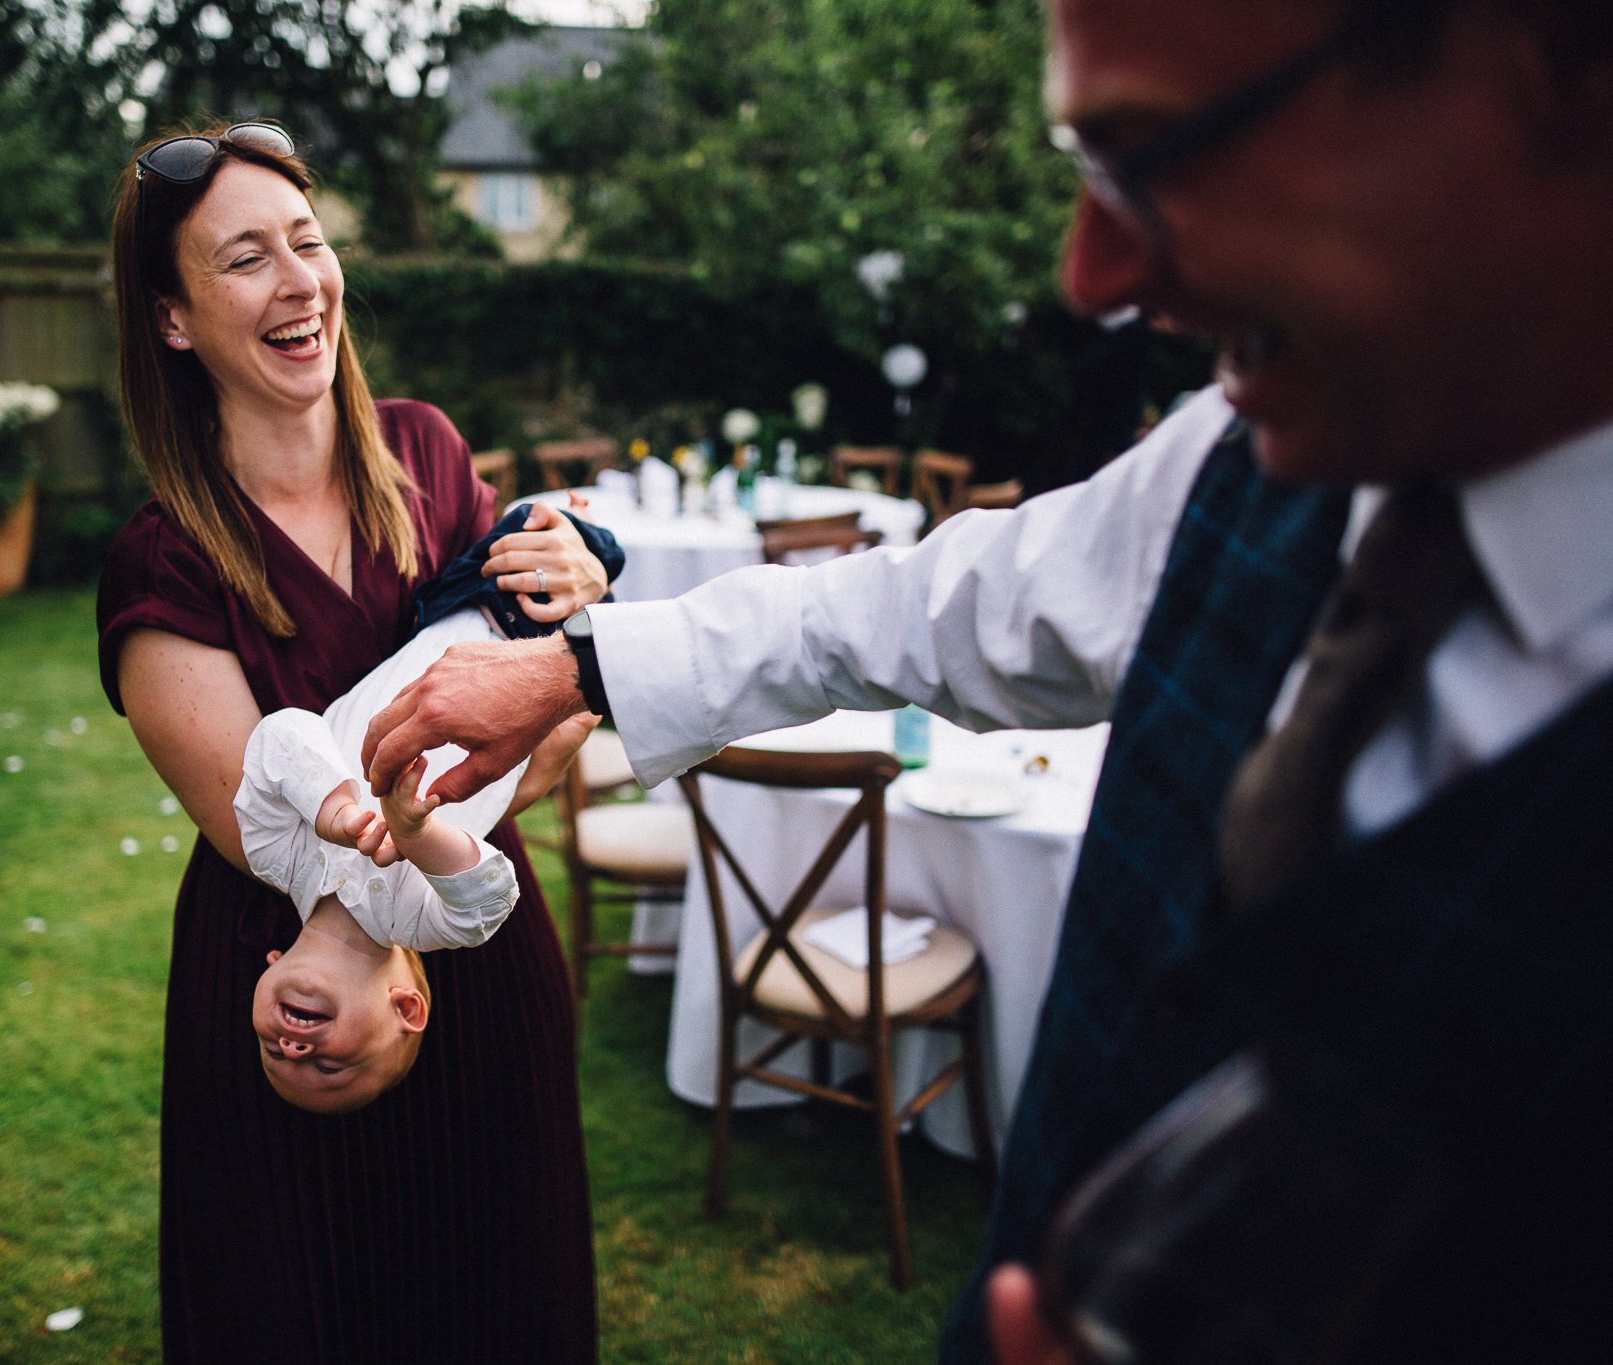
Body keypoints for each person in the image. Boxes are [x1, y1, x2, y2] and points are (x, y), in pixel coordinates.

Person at [362, 1, 1613, 1359]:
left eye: (1156, 150)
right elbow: (931, 604)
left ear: (1558, 74)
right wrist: (584, 663)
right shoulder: (1229, 472)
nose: (1094, 271)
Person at [95, 119, 606, 1360]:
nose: (297, 281)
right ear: (171, 318)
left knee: (501, 1303)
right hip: (294, 988)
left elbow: (554, 715)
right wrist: (534, 716)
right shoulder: (159, 566)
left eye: (307, 243)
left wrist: (577, 613)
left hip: (481, 969)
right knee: (308, 1313)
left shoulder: (427, 453)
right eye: (242, 259)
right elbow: (280, 836)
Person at [238, 504, 626, 1113]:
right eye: (330, 1065)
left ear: (271, 966)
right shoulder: (426, 923)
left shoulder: (277, 858)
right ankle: (582, 519)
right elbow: (489, 895)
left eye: (270, 1050)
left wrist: (337, 809)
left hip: (456, 609)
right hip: (537, 652)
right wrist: (414, 834)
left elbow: (280, 738)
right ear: (407, 1009)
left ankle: (574, 510)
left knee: (540, 527)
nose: (293, 1047)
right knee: (588, 549)